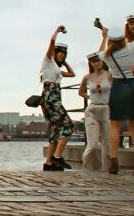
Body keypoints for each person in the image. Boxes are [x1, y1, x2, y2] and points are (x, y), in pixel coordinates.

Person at [97, 27, 134, 174]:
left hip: (118, 87)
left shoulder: (107, 56)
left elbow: (99, 52)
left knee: (115, 126)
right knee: (133, 124)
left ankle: (114, 162)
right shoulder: (131, 48)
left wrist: (104, 37)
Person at [39, 25, 76, 171]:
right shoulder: (48, 61)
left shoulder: (56, 70)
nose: (62, 55)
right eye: (59, 53)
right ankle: (58, 157)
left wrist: (64, 62)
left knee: (56, 128)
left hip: (51, 96)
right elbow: (52, 42)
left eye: (64, 54)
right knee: (69, 126)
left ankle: (48, 163)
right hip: (51, 96)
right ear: (54, 53)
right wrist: (57, 30)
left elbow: (72, 74)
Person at [78, 52, 111, 171]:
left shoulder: (110, 75)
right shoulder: (87, 77)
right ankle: (90, 169)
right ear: (90, 64)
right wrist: (89, 97)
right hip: (92, 110)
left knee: (108, 144)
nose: (97, 63)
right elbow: (81, 91)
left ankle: (108, 169)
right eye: (94, 62)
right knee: (93, 144)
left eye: (98, 61)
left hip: (106, 109)